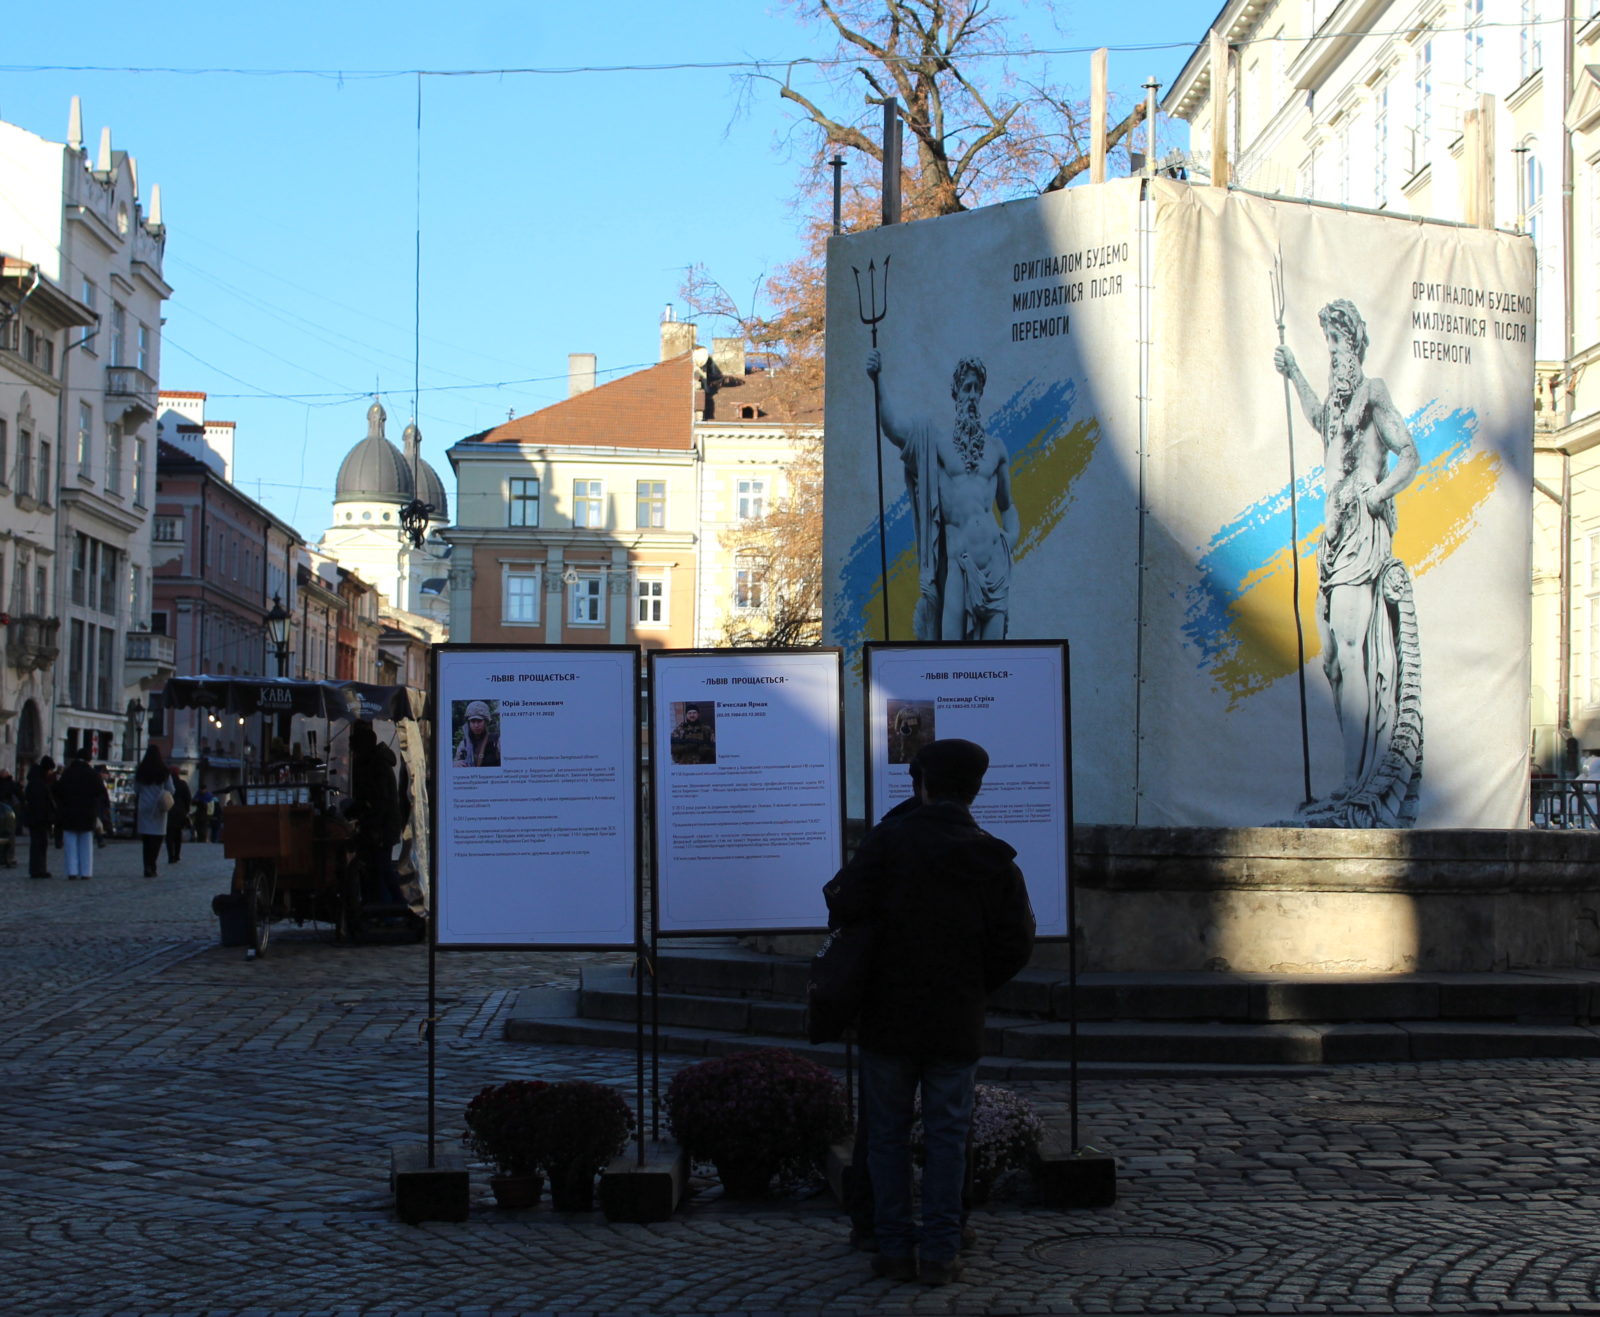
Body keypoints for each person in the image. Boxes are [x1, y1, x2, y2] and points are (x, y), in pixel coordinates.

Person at [823, 739, 1035, 1286]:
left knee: (888, 1135)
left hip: (889, 1013)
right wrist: (973, 983)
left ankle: (893, 1247)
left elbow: (842, 905)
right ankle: (940, 1249)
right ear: (975, 790)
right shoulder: (993, 856)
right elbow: (1016, 941)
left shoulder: (889, 841)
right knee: (947, 1135)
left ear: (922, 784)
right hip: (956, 1015)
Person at [1274, 299, 1423, 826]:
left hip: (1362, 530)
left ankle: (1356, 783)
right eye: (1328, 349)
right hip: (1333, 536)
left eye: (1339, 346)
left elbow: (1410, 453)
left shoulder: (1373, 393)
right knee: (1333, 659)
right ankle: (1351, 776)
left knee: (1355, 648)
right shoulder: (1336, 409)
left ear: (1355, 347)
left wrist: (1379, 494)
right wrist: (1293, 372)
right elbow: (1318, 419)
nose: (1333, 356)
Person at [866, 350, 1020, 641]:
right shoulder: (935, 443)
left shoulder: (996, 449)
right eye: (967, 388)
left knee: (996, 660)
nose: (972, 396)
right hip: (959, 565)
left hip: (996, 567)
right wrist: (878, 380)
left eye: (977, 389)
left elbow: (1007, 505)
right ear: (956, 394)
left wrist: (1010, 540)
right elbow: (894, 429)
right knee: (949, 652)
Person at [56, 748, 110, 881]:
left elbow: (58, 791)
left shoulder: (68, 773)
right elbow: (101, 792)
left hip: (69, 812)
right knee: (86, 844)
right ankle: (86, 872)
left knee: (70, 843)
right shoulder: (92, 774)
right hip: (87, 812)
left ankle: (72, 871)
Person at [133, 745, 173, 878]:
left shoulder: (141, 770)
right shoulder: (164, 771)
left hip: (144, 807)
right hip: (159, 808)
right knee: (157, 839)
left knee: (147, 840)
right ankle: (152, 865)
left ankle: (147, 866)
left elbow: (136, 789)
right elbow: (171, 790)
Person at [22, 756, 57, 879]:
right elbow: (40, 803)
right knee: (39, 844)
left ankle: (38, 869)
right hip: (39, 819)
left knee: (39, 844)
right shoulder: (39, 783)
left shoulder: (36, 781)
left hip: (36, 818)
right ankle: (38, 869)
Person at [452, 700, 500, 767]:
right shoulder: (464, 744)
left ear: (486, 722)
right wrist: (456, 763)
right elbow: (455, 762)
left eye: (479, 721)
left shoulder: (496, 740)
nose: (476, 725)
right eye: (473, 721)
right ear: (469, 723)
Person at [165, 768, 192, 864]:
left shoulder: (166, 784)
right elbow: (188, 798)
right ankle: (176, 855)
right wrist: (186, 810)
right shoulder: (182, 784)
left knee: (169, 835)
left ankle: (170, 856)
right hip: (180, 812)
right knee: (177, 834)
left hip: (168, 811)